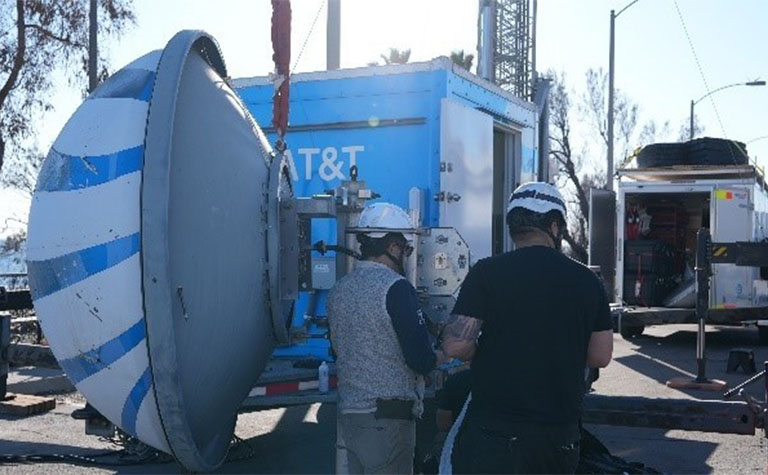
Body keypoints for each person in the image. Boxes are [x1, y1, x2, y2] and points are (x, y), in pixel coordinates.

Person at [440, 182, 614, 474]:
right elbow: (601, 356)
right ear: (555, 226)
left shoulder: (486, 272)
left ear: (513, 226)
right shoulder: (586, 280)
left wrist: (489, 348)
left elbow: (455, 346)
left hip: (494, 432)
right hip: (558, 436)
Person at [327, 202, 442, 474]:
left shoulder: (339, 290)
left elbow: (337, 349)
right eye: (406, 249)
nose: (406, 256)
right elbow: (420, 359)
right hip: (388, 422)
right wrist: (445, 354)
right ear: (392, 247)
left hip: (350, 417)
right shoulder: (397, 288)